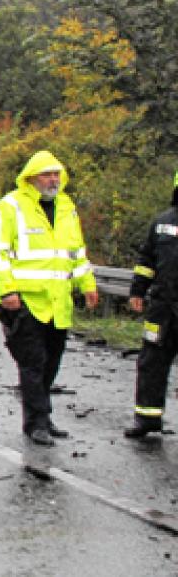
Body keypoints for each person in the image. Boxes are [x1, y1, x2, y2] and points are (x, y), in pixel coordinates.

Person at [0, 150, 98, 446]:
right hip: (24, 302)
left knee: (51, 361)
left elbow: (76, 251)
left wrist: (87, 283)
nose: (53, 180)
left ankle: (43, 418)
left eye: (57, 174)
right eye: (47, 174)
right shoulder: (9, 207)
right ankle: (36, 422)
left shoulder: (66, 207)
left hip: (58, 302)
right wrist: (8, 290)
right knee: (32, 363)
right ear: (31, 178)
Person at [124, 170, 178, 439]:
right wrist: (137, 290)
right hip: (162, 309)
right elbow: (147, 260)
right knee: (151, 362)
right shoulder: (162, 224)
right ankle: (147, 418)